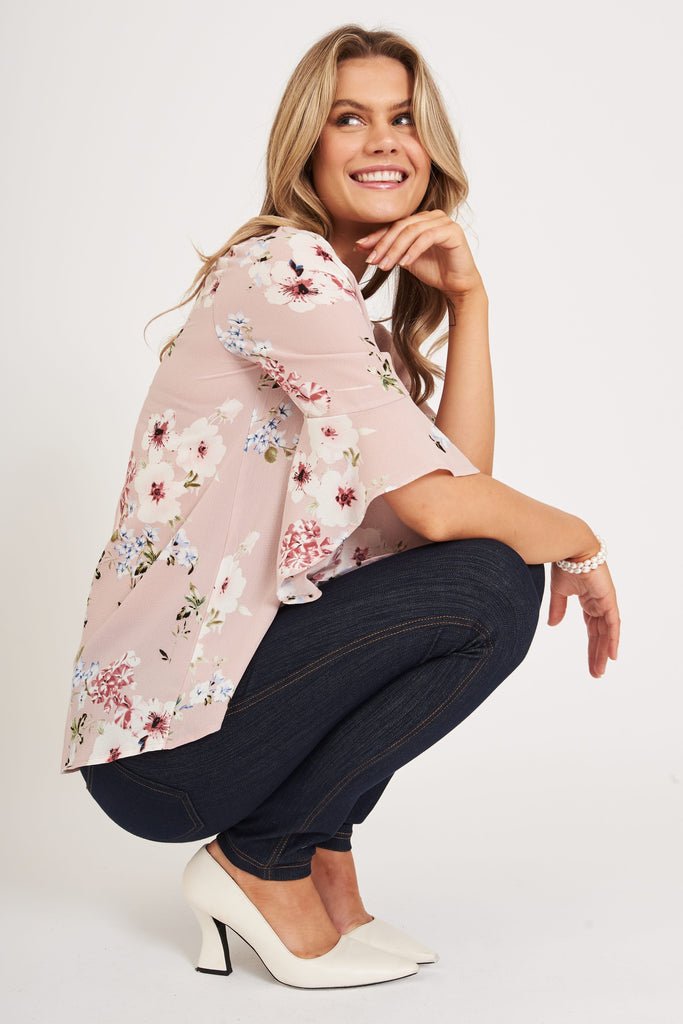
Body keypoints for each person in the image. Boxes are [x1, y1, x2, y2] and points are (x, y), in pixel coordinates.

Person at [62, 24, 620, 990]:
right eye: (349, 118)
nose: (384, 141)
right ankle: (261, 859)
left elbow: (450, 500)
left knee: (482, 572)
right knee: (492, 581)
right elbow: (451, 516)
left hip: (205, 728)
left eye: (403, 119)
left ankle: (319, 856)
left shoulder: (344, 317)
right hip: (167, 749)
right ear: (306, 146)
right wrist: (582, 543)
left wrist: (470, 303)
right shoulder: (290, 273)